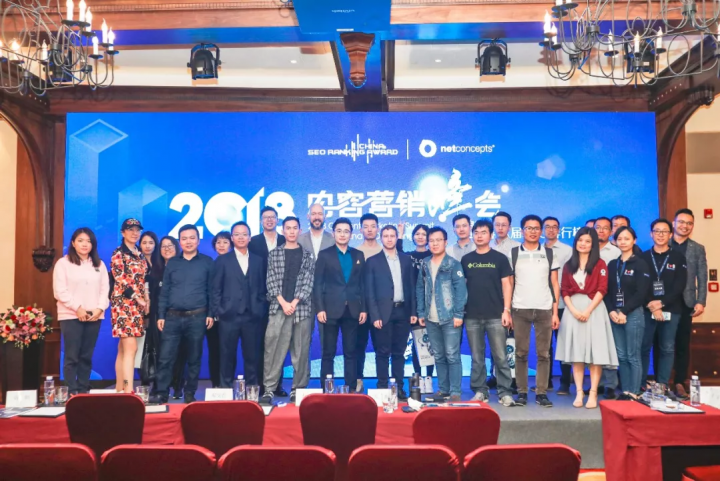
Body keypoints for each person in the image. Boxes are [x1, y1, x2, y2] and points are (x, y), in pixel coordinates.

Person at [152, 224, 215, 404]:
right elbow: (165, 291)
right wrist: (161, 315)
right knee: (165, 357)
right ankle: (162, 393)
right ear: (179, 242)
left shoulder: (207, 262)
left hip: (198, 317)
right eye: (184, 238)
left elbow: (212, 291)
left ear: (198, 240)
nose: (188, 242)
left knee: (194, 358)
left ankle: (190, 393)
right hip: (172, 317)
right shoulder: (173, 263)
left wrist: (211, 313)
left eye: (192, 238)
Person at [556, 227, 618, 409]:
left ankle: (592, 393)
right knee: (577, 353)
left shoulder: (600, 264)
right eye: (580, 240)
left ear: (593, 245)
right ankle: (579, 392)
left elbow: (602, 289)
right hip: (573, 310)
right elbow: (564, 290)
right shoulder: (568, 265)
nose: (583, 244)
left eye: (588, 241)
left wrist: (588, 310)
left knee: (594, 354)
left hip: (594, 310)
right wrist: (574, 310)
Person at [261, 217, 316, 404]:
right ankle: (269, 389)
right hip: (278, 308)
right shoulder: (274, 254)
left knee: (301, 351)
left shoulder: (308, 255)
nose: (292, 231)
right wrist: (283, 302)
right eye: (288, 228)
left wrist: (294, 301)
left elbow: (308, 281)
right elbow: (271, 280)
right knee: (273, 349)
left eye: (295, 228)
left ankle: (297, 389)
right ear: (283, 231)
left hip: (301, 309)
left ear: (300, 230)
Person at [461, 220, 515, 406]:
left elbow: (507, 285)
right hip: (472, 316)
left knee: (500, 356)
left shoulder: (500, 258)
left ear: (491, 235)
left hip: (496, 315)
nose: (479, 235)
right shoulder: (466, 260)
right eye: (476, 232)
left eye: (483, 232)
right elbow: (462, 288)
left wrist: (507, 310)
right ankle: (480, 391)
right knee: (477, 357)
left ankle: (505, 392)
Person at [509, 215, 560, 408]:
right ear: (522, 231)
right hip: (520, 308)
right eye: (529, 228)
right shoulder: (513, 253)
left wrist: (555, 312)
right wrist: (508, 310)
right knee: (521, 353)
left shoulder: (549, 253)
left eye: (536, 228)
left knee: (544, 354)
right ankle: (522, 392)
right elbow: (509, 284)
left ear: (541, 231)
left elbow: (555, 284)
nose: (533, 231)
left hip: (544, 309)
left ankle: (541, 393)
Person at [211, 221, 268, 389]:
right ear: (232, 238)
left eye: (244, 234)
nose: (241, 237)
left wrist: (260, 308)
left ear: (250, 238)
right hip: (228, 316)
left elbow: (263, 288)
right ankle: (225, 390)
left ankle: (252, 390)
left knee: (252, 356)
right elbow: (215, 289)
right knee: (227, 356)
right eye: (237, 234)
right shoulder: (222, 261)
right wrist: (219, 310)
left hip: (253, 316)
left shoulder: (259, 260)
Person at [53, 228, 109, 396]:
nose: (85, 244)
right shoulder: (63, 263)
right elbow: (60, 291)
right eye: (80, 240)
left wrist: (99, 308)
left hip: (94, 316)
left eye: (88, 241)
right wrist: (77, 308)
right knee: (72, 356)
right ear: (73, 243)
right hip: (71, 315)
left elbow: (105, 290)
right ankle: (72, 391)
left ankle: (84, 390)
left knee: (86, 355)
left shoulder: (99, 264)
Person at [314, 217, 367, 392]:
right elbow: (318, 284)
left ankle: (351, 387)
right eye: (339, 231)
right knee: (328, 352)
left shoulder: (358, 255)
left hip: (353, 309)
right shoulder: (325, 255)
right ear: (334, 233)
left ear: (351, 234)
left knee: (350, 352)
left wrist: (364, 309)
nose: (342, 234)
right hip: (329, 310)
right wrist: (320, 308)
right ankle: (326, 387)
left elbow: (362, 285)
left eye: (346, 231)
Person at [416, 227, 468, 402]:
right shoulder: (425, 263)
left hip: (450, 317)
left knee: (452, 355)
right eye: (431, 240)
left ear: (445, 242)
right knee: (438, 356)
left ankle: (455, 391)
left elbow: (461, 291)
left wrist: (459, 314)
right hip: (430, 318)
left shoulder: (453, 264)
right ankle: (443, 390)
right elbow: (420, 288)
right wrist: (421, 312)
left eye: (438, 240)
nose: (435, 244)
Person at [365, 225, 416, 399]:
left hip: (403, 312)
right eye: (385, 236)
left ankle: (398, 387)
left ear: (397, 238)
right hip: (382, 314)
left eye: (392, 236)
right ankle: (382, 387)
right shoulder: (372, 261)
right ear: (381, 238)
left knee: (399, 353)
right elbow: (369, 291)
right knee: (382, 352)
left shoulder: (406, 260)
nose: (389, 239)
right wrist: (374, 315)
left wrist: (413, 311)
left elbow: (411, 287)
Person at [640, 219, 687, 393]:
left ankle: (662, 384)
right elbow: (640, 285)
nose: (660, 235)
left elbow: (679, 285)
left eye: (664, 231)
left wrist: (661, 303)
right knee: (644, 347)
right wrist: (652, 304)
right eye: (657, 231)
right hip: (647, 310)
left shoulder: (678, 257)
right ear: (651, 234)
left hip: (671, 309)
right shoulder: (643, 257)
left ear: (670, 234)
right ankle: (641, 383)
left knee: (667, 348)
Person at [604, 226, 651, 398]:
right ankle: (625, 390)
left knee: (633, 355)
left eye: (627, 238)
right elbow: (606, 291)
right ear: (615, 241)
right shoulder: (612, 264)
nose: (623, 242)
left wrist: (624, 311)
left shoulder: (640, 263)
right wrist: (611, 311)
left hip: (633, 313)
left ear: (634, 241)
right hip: (615, 315)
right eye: (620, 239)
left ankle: (635, 392)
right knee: (621, 356)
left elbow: (642, 293)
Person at [249, 206, 287, 396]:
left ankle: (277, 385)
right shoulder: (253, 242)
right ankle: (261, 385)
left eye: (273, 217)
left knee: (279, 343)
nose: (269, 220)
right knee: (260, 343)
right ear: (261, 221)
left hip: (282, 299)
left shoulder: (285, 240)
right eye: (266, 217)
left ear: (277, 220)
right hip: (260, 299)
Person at [670, 208, 707, 399]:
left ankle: (679, 382)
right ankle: (661, 382)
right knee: (662, 343)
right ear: (674, 223)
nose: (685, 226)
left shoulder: (697, 248)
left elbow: (702, 276)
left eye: (689, 223)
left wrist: (701, 301)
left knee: (682, 344)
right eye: (681, 222)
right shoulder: (663, 244)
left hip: (687, 303)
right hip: (665, 303)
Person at [110, 218, 148, 393]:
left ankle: (119, 389)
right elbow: (121, 280)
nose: (135, 233)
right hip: (123, 305)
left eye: (137, 230)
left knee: (123, 349)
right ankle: (129, 390)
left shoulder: (139, 253)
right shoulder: (118, 254)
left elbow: (143, 280)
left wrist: (145, 298)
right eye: (130, 229)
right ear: (122, 232)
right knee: (131, 347)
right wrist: (137, 298)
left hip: (137, 307)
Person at [398, 223, 434, 393]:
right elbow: (397, 252)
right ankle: (417, 377)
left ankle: (429, 378)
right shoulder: (408, 256)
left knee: (430, 342)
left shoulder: (433, 255)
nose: (420, 236)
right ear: (412, 237)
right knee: (417, 343)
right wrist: (400, 234)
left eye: (424, 234)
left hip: (431, 303)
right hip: (412, 304)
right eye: (417, 234)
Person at [540, 216, 573, 395]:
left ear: (559, 230)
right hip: (541, 303)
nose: (551, 230)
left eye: (554, 227)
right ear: (542, 230)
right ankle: (546, 382)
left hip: (561, 304)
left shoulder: (567, 250)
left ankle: (565, 382)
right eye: (547, 227)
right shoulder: (536, 249)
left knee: (563, 343)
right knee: (544, 345)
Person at [594, 217, 621, 399]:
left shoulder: (617, 252)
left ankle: (610, 384)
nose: (601, 231)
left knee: (611, 344)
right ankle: (597, 383)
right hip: (592, 304)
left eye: (605, 228)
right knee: (595, 345)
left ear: (611, 232)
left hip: (611, 302)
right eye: (598, 227)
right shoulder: (586, 250)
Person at [355, 213, 381, 392]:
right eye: (366, 226)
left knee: (381, 348)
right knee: (359, 346)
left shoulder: (384, 250)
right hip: (360, 308)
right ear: (361, 229)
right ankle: (358, 379)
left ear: (378, 228)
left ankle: (383, 383)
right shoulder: (355, 252)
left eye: (373, 226)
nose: (370, 230)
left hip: (380, 307)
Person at [138, 232, 160, 386]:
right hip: (140, 310)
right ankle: (144, 382)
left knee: (157, 346)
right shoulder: (137, 262)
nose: (147, 246)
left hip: (157, 311)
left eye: (151, 242)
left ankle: (158, 382)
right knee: (142, 348)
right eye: (144, 242)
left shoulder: (160, 262)